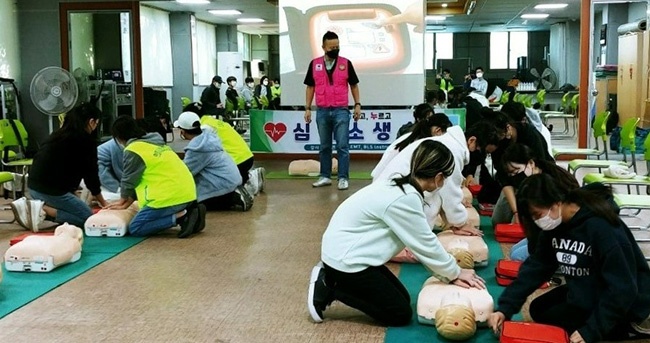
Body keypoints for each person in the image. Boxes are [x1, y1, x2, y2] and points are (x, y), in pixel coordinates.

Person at [308, 140, 486, 325]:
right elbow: (424, 243)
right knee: (399, 314)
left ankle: (335, 278)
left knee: (402, 298)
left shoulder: (402, 183)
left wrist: (449, 272)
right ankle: (330, 286)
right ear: (439, 177)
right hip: (346, 260)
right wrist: (455, 272)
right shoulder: (404, 198)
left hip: (348, 252)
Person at [488, 174, 650, 343]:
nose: (537, 221)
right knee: (539, 309)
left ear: (557, 202)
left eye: (537, 214)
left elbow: (623, 288)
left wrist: (591, 330)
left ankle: (630, 327)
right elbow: (535, 268)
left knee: (575, 326)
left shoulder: (602, 228)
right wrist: (505, 309)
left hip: (626, 298)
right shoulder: (554, 226)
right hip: (588, 286)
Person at [376, 119, 496, 236]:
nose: (481, 155)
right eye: (481, 150)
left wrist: (454, 221)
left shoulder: (448, 142)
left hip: (391, 190)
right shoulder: (453, 150)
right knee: (434, 198)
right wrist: (460, 222)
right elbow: (449, 192)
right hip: (395, 194)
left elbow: (447, 192)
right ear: (472, 140)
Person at [106, 115, 204, 238]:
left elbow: (129, 179)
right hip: (187, 193)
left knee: (136, 228)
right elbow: (139, 180)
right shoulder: (156, 144)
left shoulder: (133, 150)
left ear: (119, 137)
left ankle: (182, 217)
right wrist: (127, 202)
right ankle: (188, 212)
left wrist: (122, 200)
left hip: (169, 198)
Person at [16, 103, 108, 230]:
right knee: (87, 218)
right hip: (50, 190)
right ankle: (41, 210)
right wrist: (103, 202)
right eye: (97, 123)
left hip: (34, 186)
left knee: (76, 210)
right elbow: (90, 175)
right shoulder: (85, 141)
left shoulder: (59, 135)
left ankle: (39, 208)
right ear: (91, 122)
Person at [500, 143, 580, 261]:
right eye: (511, 174)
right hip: (547, 231)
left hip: (563, 233)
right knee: (514, 250)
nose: (515, 176)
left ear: (531, 163)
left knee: (517, 256)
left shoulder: (551, 182)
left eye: (517, 171)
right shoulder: (532, 182)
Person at [304, 31, 361, 191]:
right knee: (324, 146)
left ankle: (343, 178)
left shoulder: (346, 63)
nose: (335, 49)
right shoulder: (315, 64)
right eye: (331, 47)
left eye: (337, 46)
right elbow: (310, 87)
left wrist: (357, 104)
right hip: (322, 110)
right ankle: (325, 176)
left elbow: (354, 85)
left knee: (342, 145)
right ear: (323, 47)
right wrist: (308, 108)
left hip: (341, 110)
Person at [174, 111, 253, 212]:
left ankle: (234, 198)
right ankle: (233, 193)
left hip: (224, 184)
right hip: (231, 179)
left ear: (183, 131)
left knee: (193, 202)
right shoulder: (208, 138)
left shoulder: (198, 148)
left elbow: (186, 172)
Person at [182, 102, 265, 196]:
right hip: (246, 156)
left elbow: (200, 153)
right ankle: (250, 177)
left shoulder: (204, 128)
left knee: (206, 168)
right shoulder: (214, 121)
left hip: (237, 161)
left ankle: (248, 182)